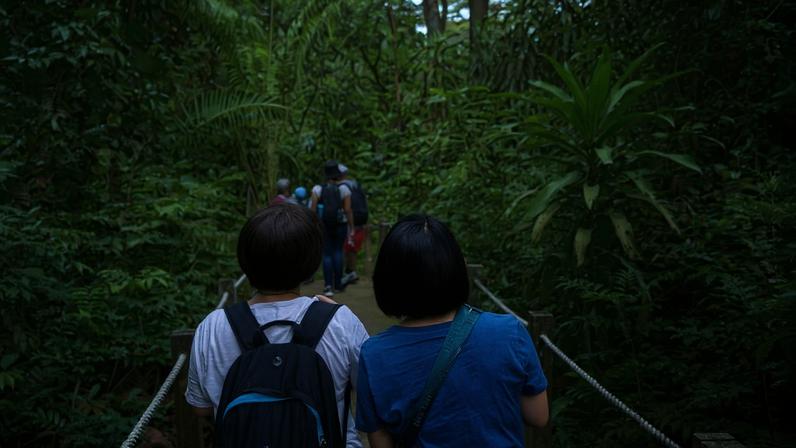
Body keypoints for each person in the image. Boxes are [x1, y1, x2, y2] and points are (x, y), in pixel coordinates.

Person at [355, 214, 549, 447]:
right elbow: (538, 416)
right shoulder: (509, 331)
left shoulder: (374, 354)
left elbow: (380, 443)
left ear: (387, 280)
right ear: (456, 268)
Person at [185, 204, 369, 447]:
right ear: (311, 262)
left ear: (244, 260)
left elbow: (201, 408)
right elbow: (370, 392)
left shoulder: (213, 326)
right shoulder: (340, 321)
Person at [310, 160, 355, 297]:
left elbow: (312, 210)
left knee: (327, 254)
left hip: (324, 225)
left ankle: (328, 286)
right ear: (337, 174)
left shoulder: (317, 189)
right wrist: (351, 226)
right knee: (338, 252)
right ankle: (338, 284)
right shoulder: (344, 189)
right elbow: (347, 210)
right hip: (340, 225)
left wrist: (313, 226)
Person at [338, 164, 368, 286]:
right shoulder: (355, 184)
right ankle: (351, 271)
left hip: (350, 219)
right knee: (352, 247)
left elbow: (346, 207)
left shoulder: (342, 187)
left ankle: (347, 272)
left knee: (346, 246)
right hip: (361, 218)